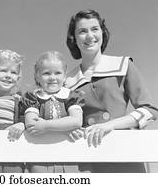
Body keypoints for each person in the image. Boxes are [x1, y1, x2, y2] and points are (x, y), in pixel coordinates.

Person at [65, 9, 158, 172]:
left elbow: (150, 110)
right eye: (82, 31)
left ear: (102, 33)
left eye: (94, 29)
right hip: (88, 158)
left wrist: (109, 126)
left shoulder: (123, 65)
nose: (89, 36)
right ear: (74, 39)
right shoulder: (67, 81)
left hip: (125, 153)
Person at [22, 51, 85, 173]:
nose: (52, 77)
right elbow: (31, 123)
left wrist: (46, 125)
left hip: (69, 157)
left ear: (65, 76)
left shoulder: (70, 96)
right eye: (46, 73)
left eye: (58, 73)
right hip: (40, 158)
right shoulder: (34, 97)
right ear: (37, 76)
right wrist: (65, 126)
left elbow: (77, 121)